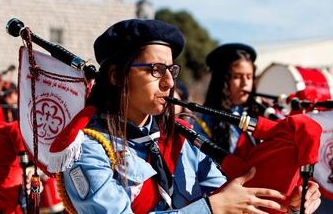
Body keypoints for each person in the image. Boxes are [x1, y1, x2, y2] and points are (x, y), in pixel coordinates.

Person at [59, 19, 320, 214]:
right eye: (155, 70)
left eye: (171, 69)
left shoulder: (180, 139)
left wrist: (289, 197)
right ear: (116, 76)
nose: (170, 82)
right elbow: (219, 203)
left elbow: (234, 194)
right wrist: (210, 208)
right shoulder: (89, 150)